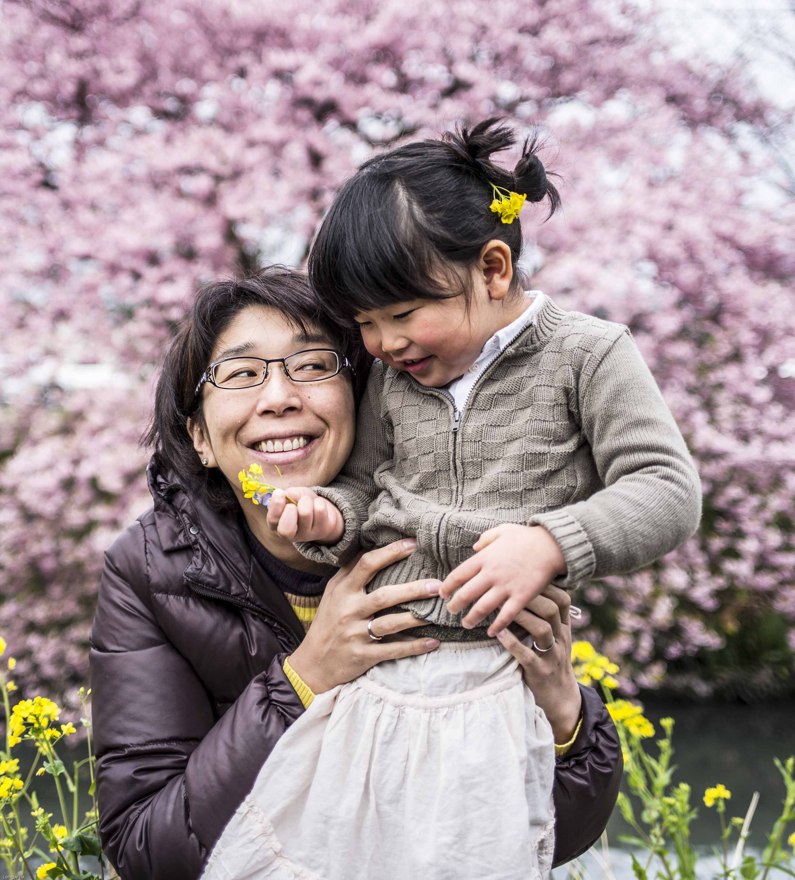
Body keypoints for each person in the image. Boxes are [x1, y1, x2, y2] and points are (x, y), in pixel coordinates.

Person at [205, 120, 701, 879]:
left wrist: (548, 543)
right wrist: (328, 515)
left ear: (493, 269)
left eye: (399, 315)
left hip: (498, 678)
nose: (379, 344)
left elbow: (665, 489)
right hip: (380, 673)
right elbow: (366, 485)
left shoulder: (588, 355)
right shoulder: (395, 378)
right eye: (364, 324)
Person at [90, 268, 623, 880]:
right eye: (240, 374)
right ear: (200, 437)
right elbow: (144, 848)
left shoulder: (450, 544)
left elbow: (551, 840)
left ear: (368, 400)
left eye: (313, 366)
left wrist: (563, 714)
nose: (279, 397)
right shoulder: (151, 573)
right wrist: (304, 678)